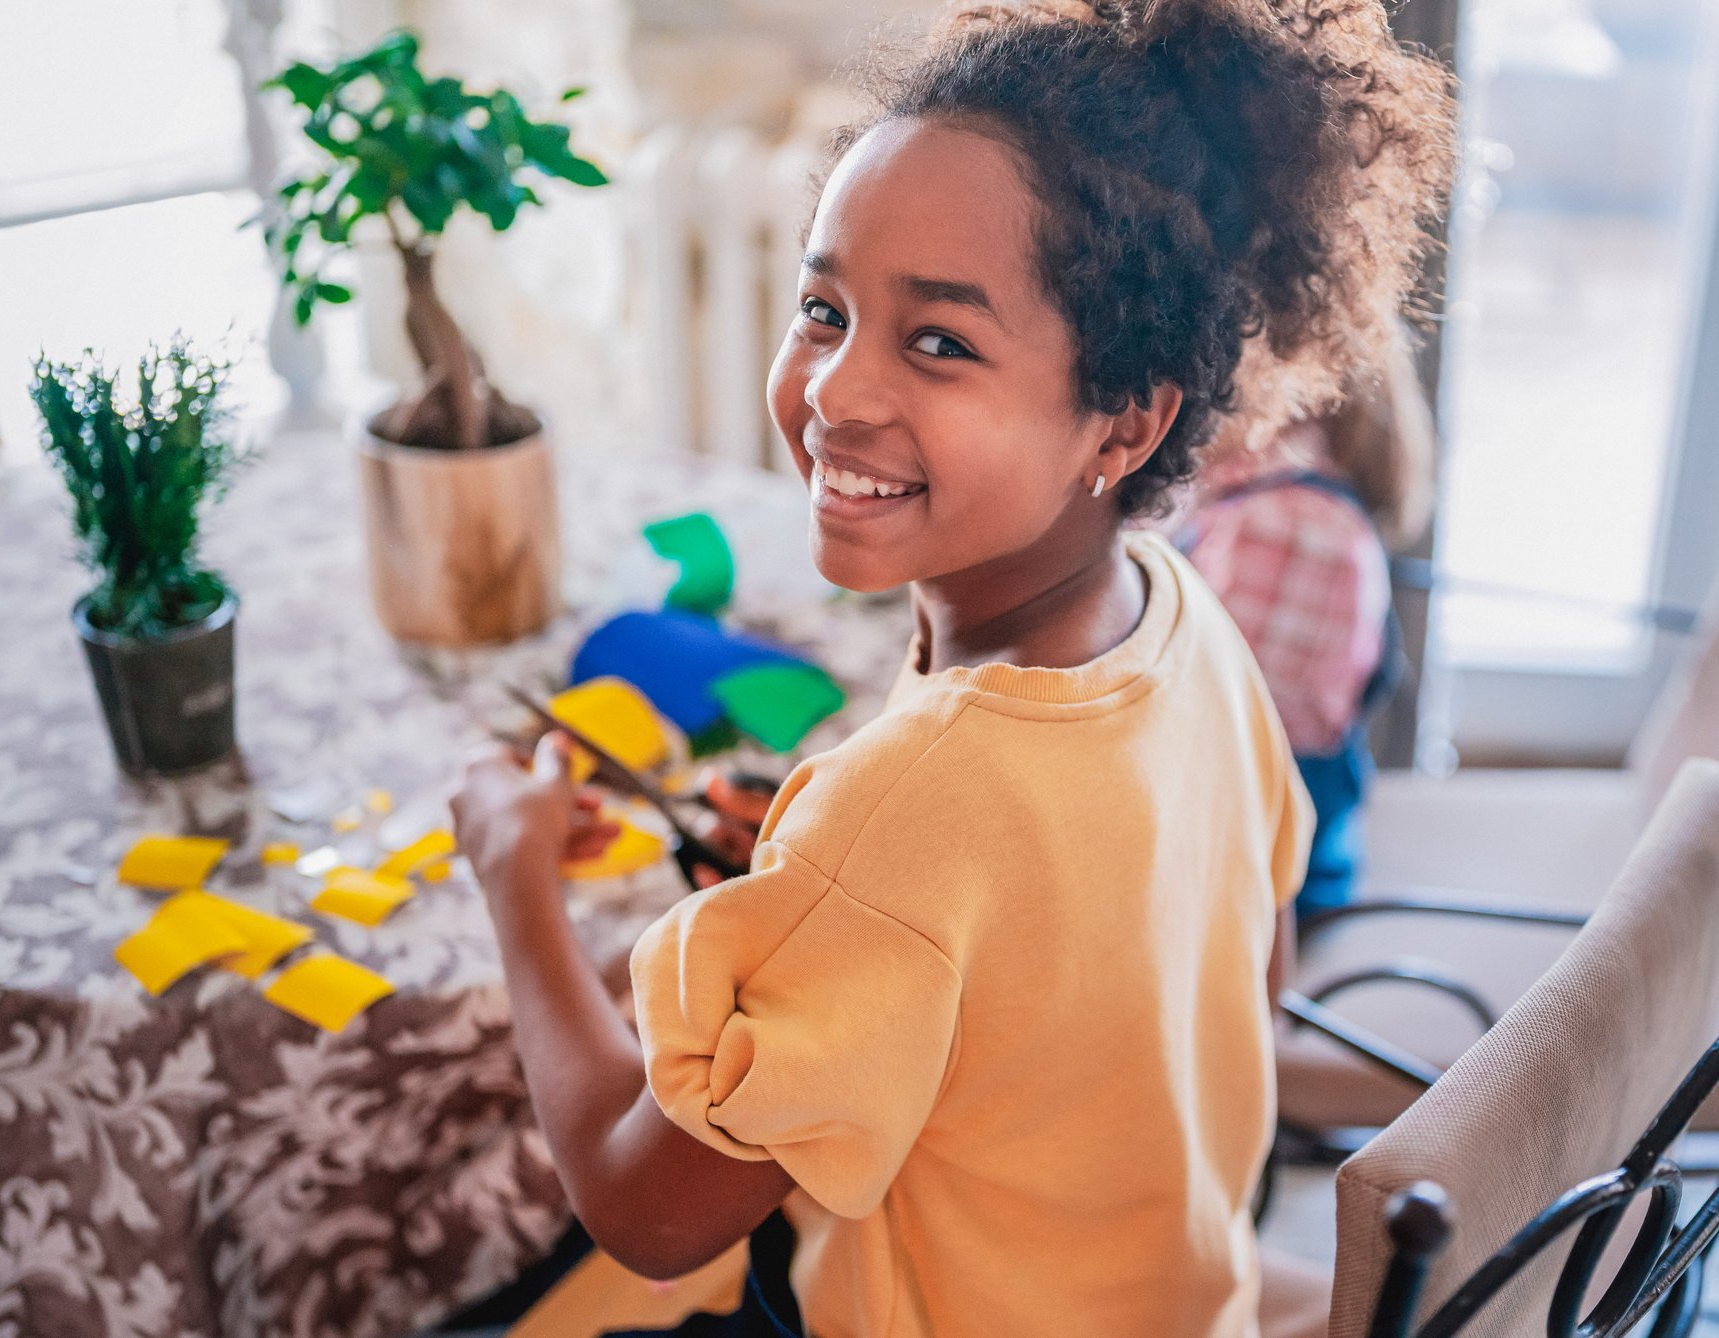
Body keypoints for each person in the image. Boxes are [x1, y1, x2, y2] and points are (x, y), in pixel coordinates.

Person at [447, 3, 1454, 1334]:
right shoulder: (1181, 617)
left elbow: (648, 1210)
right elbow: (1233, 967)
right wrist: (866, 924)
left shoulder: (906, 808)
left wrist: (517, 877)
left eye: (939, 342)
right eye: (825, 307)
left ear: (1126, 417)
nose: (834, 392)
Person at [1178, 355, 1439, 918]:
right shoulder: (1304, 507)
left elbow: (1216, 751)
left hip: (1256, 890)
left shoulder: (1285, 529)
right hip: (1288, 851)